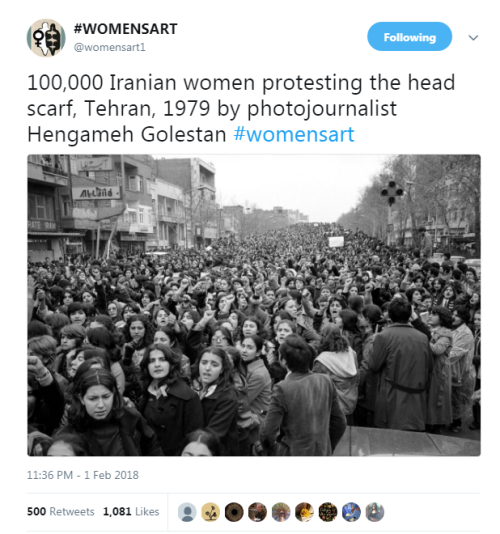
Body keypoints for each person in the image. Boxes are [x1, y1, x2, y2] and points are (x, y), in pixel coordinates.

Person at [259, 334, 346, 455]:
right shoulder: (326, 381)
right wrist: (326, 447)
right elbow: (340, 423)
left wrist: (274, 452)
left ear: (283, 361)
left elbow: (267, 433)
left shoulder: (283, 388)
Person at [58, 368, 163, 456]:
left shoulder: (132, 418)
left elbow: (153, 450)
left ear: (114, 394)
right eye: (93, 398)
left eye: (106, 397)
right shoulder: (70, 433)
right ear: (81, 399)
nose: (101, 405)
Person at [367, 298, 433, 431]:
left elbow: (373, 365)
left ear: (390, 315)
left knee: (390, 441)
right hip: (417, 398)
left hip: (392, 397)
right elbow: (430, 367)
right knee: (412, 442)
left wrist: (370, 347)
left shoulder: (383, 336)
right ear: (409, 315)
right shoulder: (423, 337)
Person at [138, 343, 203, 455]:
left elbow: (193, 439)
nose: (157, 365)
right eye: (152, 361)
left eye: (162, 360)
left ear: (171, 364)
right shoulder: (145, 393)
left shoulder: (188, 397)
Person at [190, 348, 239, 455]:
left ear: (222, 369)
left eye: (214, 365)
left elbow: (213, 434)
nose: (207, 368)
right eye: (204, 363)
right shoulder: (190, 386)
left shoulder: (228, 397)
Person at [313, 324, 359, 424]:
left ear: (323, 338)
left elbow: (316, 389)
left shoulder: (322, 361)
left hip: (331, 413)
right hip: (350, 407)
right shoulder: (351, 353)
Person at [448, 306, 476, 433]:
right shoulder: (454, 328)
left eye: (457, 315)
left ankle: (456, 423)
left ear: (463, 318)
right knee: (451, 397)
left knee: (457, 399)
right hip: (452, 370)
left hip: (460, 372)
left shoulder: (464, 333)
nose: (454, 317)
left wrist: (438, 352)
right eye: (453, 314)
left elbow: (454, 354)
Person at [426, 306, 453, 434]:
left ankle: (437, 426)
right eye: (430, 314)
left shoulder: (446, 333)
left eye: (434, 314)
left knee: (437, 400)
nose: (430, 316)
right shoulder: (432, 330)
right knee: (431, 398)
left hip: (440, 371)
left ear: (442, 318)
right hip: (432, 369)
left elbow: (437, 350)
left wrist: (422, 339)